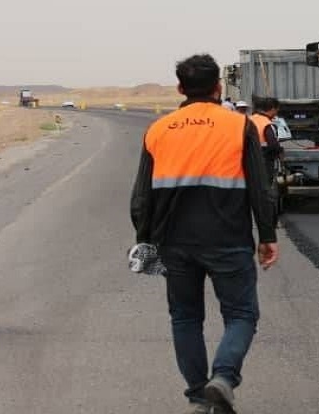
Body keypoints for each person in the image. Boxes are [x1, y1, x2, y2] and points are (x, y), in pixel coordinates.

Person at [130, 54, 279, 414]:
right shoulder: (237, 126)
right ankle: (223, 379)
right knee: (242, 314)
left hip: (175, 244)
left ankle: (200, 398)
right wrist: (267, 234)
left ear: (180, 88)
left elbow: (141, 197)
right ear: (217, 88)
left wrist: (144, 240)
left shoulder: (158, 129)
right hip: (228, 239)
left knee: (185, 318)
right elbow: (261, 187)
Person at [249, 96, 283, 183]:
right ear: (272, 109)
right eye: (276, 110)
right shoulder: (266, 123)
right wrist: (280, 151)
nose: (276, 113)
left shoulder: (249, 119)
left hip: (248, 161)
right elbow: (273, 145)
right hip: (263, 161)